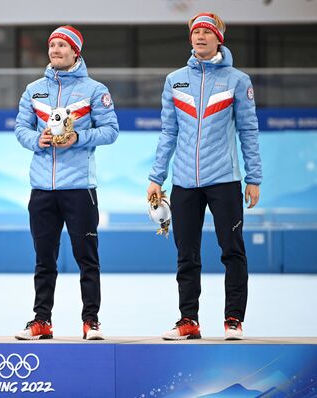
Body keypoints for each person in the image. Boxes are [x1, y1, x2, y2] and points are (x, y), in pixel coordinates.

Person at [147, 13, 262, 340]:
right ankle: (188, 321)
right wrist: (157, 177)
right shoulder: (175, 80)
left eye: (206, 32)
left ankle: (233, 320)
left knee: (232, 251)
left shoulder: (238, 81)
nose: (199, 36)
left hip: (224, 180)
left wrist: (253, 177)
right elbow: (168, 132)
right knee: (186, 255)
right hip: (183, 183)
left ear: (218, 39)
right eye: (195, 31)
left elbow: (248, 132)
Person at [14, 26, 119, 340]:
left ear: (76, 51)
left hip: (79, 189)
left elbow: (111, 130)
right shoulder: (34, 90)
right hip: (42, 190)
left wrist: (77, 138)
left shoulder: (94, 90)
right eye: (52, 45)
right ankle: (41, 321)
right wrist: (38, 139)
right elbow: (21, 129)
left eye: (62, 45)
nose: (55, 50)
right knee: (44, 261)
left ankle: (91, 321)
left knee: (87, 259)